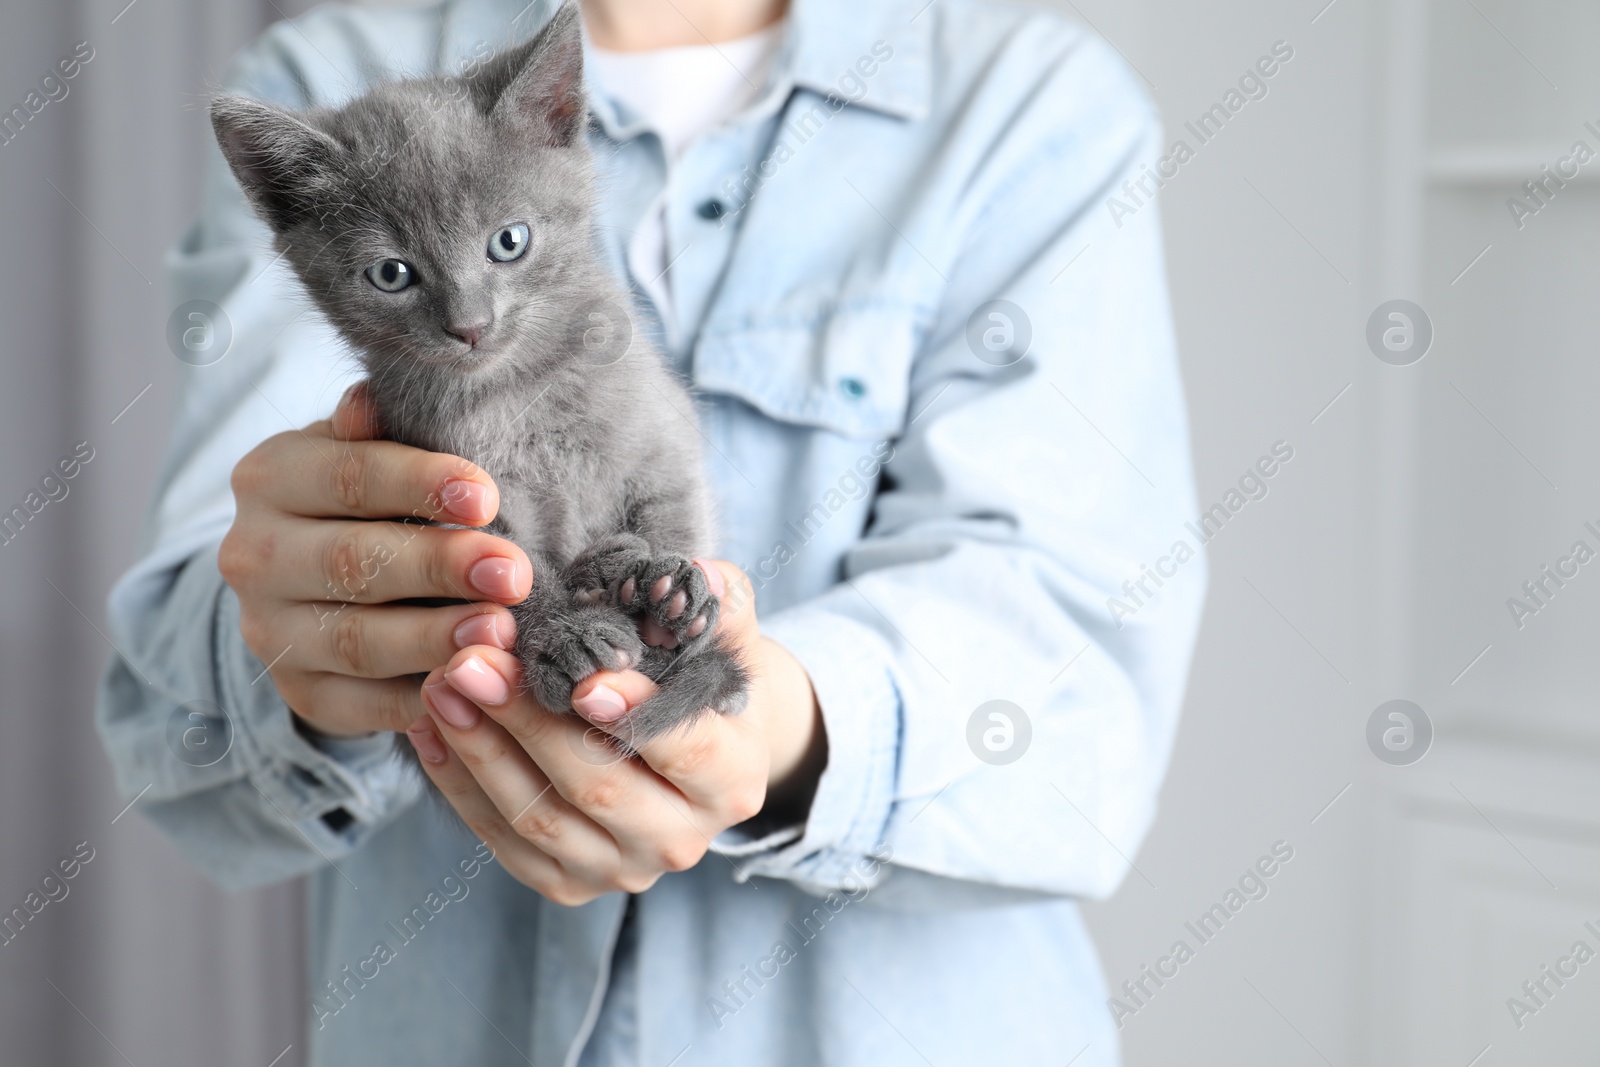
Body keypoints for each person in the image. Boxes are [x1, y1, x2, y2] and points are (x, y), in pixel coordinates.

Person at [96, 0, 1205, 1062]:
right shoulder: (312, 92)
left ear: (555, 115)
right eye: (397, 276)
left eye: (506, 249)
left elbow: (1083, 683)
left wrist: (781, 735)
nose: (467, 318)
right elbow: (172, 716)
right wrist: (306, 634)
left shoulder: (1028, 106)